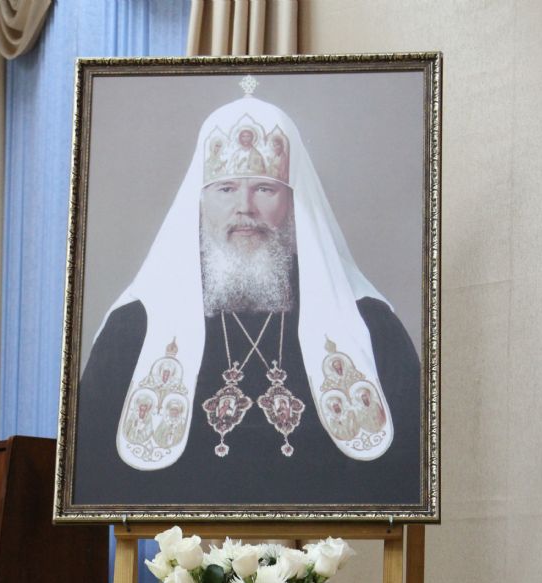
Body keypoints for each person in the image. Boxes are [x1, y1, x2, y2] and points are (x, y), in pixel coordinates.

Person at [74, 83, 421, 509]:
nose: (245, 208)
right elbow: (92, 473)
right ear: (199, 204)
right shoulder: (134, 327)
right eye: (225, 189)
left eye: (264, 189)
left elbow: (405, 471)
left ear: (292, 204)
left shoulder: (368, 325)